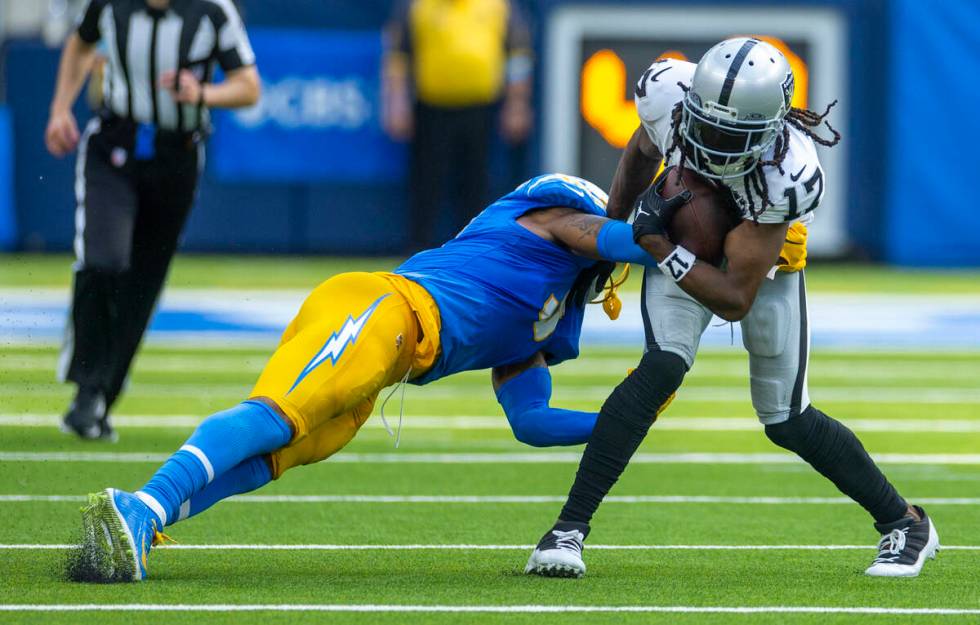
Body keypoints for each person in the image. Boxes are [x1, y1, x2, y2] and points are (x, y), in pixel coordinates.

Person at [71, 174, 661, 582]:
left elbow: (531, 422)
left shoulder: (540, 321)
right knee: (278, 412)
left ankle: (143, 516)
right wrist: (702, 239)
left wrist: (624, 420)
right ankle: (147, 502)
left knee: (283, 452)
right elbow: (624, 239)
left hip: (390, 363)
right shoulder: (552, 220)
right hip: (382, 308)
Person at [525, 38, 939, 579]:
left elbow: (737, 298)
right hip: (682, 235)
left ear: (770, 127)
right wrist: (610, 233)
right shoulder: (666, 93)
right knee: (663, 366)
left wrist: (657, 247)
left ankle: (905, 523)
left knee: (787, 419)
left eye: (732, 135)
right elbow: (640, 153)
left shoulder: (788, 173)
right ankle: (567, 531)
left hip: (757, 259)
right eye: (707, 126)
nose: (714, 145)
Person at [45, 0, 261, 441]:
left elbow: (249, 87)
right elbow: (81, 44)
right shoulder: (107, 4)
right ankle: (87, 389)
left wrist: (202, 94)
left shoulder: (212, 11)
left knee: (143, 283)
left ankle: (103, 396)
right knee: (102, 261)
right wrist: (60, 108)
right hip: (113, 145)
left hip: (176, 155)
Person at [383, 0, 534, 251]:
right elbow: (397, 56)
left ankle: (473, 254)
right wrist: (396, 103)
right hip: (431, 109)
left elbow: (518, 57)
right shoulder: (418, 6)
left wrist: (517, 104)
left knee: (476, 187)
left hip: (481, 110)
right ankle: (418, 256)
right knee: (426, 188)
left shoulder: (498, 6)